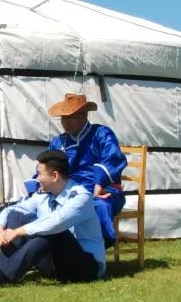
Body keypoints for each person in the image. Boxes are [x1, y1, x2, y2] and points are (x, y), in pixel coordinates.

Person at [0, 149, 108, 288]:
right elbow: (13, 209)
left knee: (53, 231)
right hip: (55, 266)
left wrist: (16, 232)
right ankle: (3, 271)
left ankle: (2, 276)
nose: (37, 178)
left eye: (40, 174)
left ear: (54, 176)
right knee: (16, 215)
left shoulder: (81, 197)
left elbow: (56, 222)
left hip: (85, 267)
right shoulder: (44, 195)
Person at [26, 93, 127, 248]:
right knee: (35, 205)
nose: (65, 123)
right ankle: (49, 250)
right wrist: (38, 187)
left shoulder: (101, 134)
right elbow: (45, 168)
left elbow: (113, 159)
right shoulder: (58, 142)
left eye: (69, 117)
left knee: (99, 206)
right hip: (67, 192)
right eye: (63, 118)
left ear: (83, 115)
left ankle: (93, 251)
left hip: (103, 189)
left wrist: (100, 184)